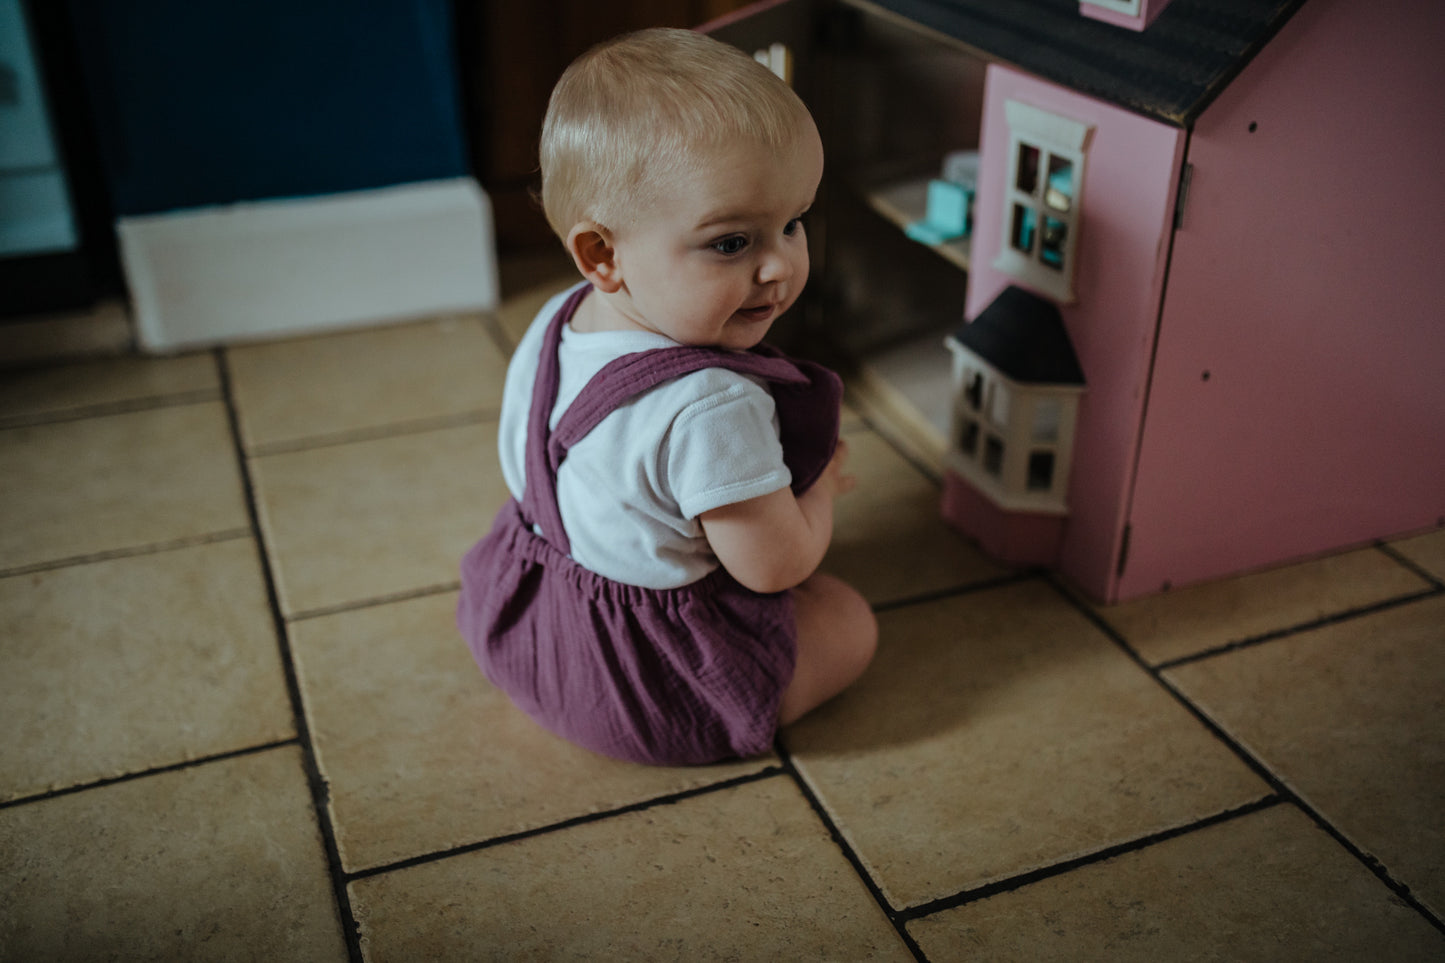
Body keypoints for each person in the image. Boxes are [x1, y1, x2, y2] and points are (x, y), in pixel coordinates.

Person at [457, 27, 877, 766]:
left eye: (792, 222)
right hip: (650, 684)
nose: (780, 264)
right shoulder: (710, 405)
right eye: (730, 243)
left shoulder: (561, 315)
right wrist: (822, 495)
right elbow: (775, 568)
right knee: (846, 618)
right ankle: (715, 707)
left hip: (527, 620)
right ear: (604, 253)